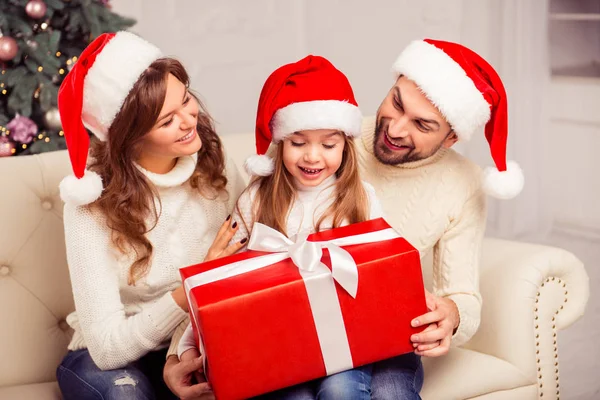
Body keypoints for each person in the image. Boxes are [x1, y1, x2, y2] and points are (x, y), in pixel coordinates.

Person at [177, 55, 385, 400]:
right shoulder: (256, 199)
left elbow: (379, 276)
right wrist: (188, 343)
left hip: (345, 339)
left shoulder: (362, 198)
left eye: (328, 145)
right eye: (298, 142)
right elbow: (221, 277)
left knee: (341, 391)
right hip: (279, 342)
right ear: (280, 143)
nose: (312, 157)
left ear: (345, 145)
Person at [55, 31, 246, 400]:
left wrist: (181, 352)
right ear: (130, 137)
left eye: (186, 99)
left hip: (193, 339)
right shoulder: (88, 205)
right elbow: (108, 349)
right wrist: (194, 284)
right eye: (166, 121)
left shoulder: (213, 162)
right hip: (110, 360)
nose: (190, 120)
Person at [354, 38, 524, 399]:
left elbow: (463, 294)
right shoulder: (332, 137)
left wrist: (452, 314)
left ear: (451, 138)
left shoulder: (463, 182)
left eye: (422, 124)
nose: (396, 129)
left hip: (388, 335)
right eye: (396, 102)